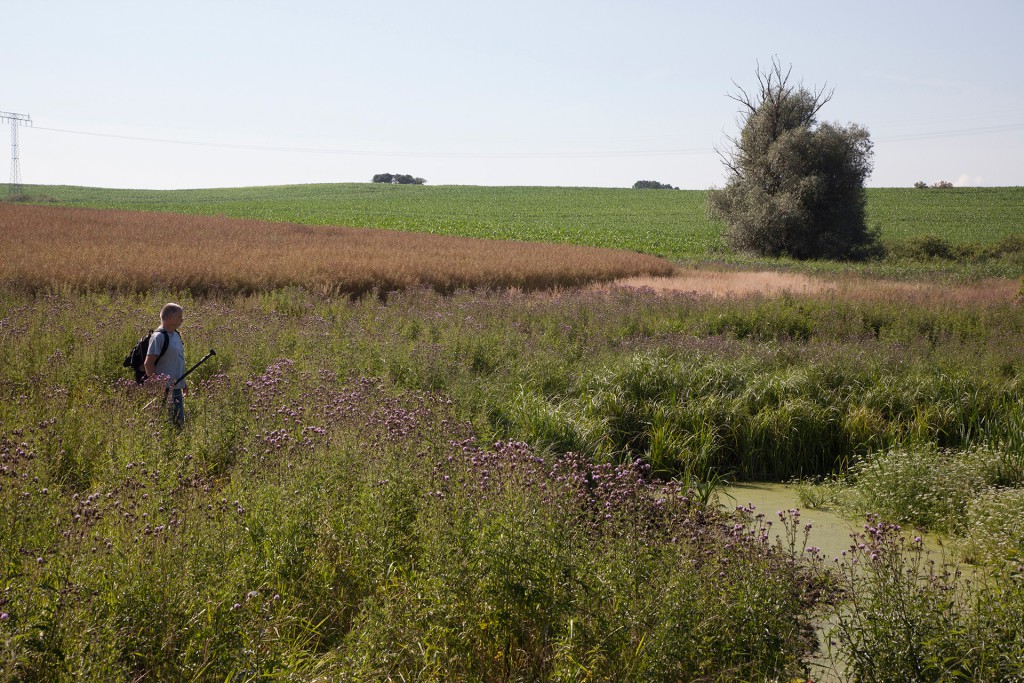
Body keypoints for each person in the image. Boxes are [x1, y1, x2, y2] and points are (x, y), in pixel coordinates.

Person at [143, 302, 187, 427]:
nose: (182, 320)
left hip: (177, 386)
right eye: (179, 317)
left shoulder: (176, 335)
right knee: (165, 425)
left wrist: (183, 382)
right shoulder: (158, 337)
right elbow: (148, 363)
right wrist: (158, 386)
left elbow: (177, 360)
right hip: (165, 389)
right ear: (170, 318)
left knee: (178, 423)